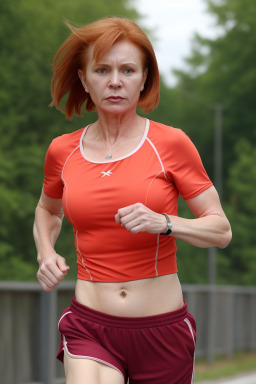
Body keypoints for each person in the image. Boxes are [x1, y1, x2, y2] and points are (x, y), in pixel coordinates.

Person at [33, 16, 232, 384]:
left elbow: (220, 230)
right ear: (83, 79)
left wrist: (166, 222)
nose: (114, 81)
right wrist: (46, 251)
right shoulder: (62, 151)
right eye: (102, 69)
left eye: (127, 70)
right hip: (91, 325)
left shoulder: (171, 144)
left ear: (144, 79)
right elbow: (47, 209)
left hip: (161, 331)